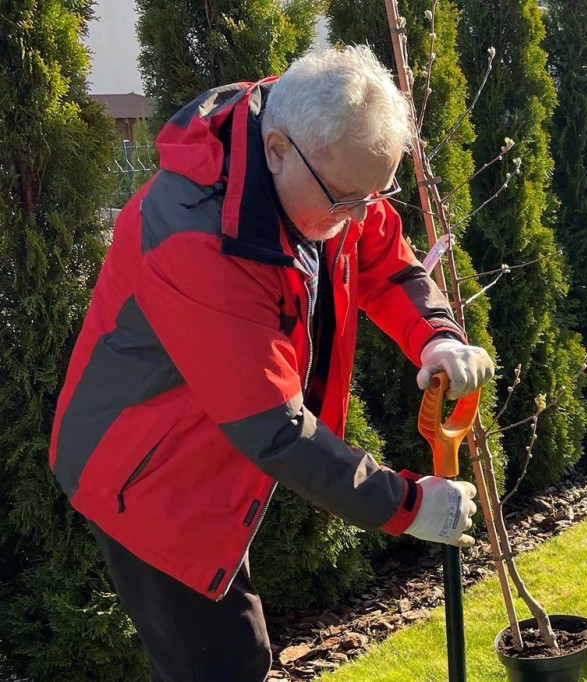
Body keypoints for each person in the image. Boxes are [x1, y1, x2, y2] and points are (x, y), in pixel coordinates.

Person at [49, 46, 495, 682]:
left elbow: (382, 256)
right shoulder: (196, 240)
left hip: (215, 442)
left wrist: (436, 335)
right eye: (346, 199)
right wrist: (407, 504)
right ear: (278, 150)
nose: (359, 216)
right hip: (146, 475)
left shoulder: (321, 158)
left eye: (375, 194)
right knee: (225, 666)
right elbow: (275, 429)